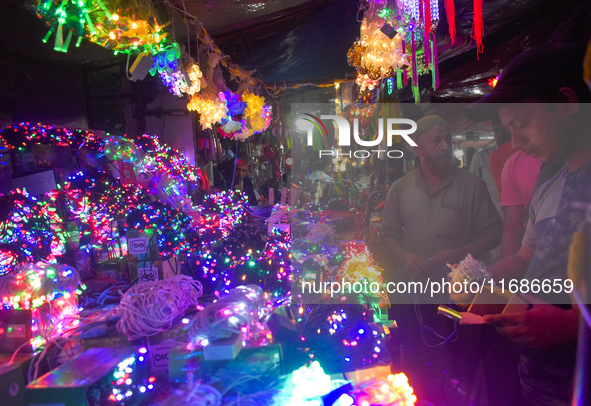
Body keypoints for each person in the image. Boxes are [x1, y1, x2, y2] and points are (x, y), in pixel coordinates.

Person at [466, 43, 591, 406]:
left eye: (522, 125)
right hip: (541, 387)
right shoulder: (548, 182)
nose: (516, 142)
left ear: (567, 103)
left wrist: (572, 327)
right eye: (509, 130)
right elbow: (526, 255)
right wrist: (484, 281)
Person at [381, 115, 502, 404]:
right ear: (417, 148)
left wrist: (456, 254)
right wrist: (406, 256)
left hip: (458, 296)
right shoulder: (400, 189)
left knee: (460, 364)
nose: (445, 146)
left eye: (447, 139)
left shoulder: (471, 186)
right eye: (436, 140)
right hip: (413, 296)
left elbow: (493, 233)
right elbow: (388, 235)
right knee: (415, 364)